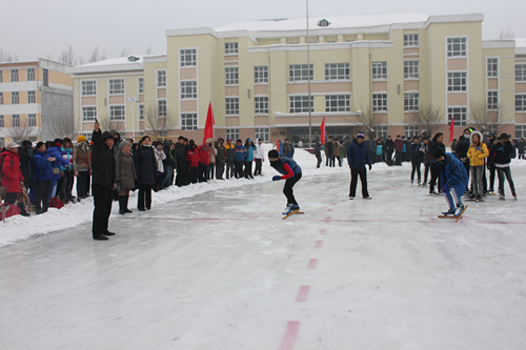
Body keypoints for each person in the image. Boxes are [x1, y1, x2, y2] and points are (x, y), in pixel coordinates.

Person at [91, 121, 117, 240]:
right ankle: (97, 232)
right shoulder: (99, 149)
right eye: (109, 140)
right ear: (104, 140)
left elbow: (112, 168)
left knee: (107, 207)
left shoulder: (110, 152)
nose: (111, 142)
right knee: (100, 208)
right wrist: (97, 131)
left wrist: (113, 181)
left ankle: (104, 228)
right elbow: (96, 141)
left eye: (112, 140)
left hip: (108, 183)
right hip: (100, 182)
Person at [434, 148, 468, 216]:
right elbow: (443, 174)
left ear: (443, 156)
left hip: (460, 178)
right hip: (451, 178)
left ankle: (460, 205)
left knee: (453, 189)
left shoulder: (454, 162)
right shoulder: (443, 163)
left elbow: (458, 175)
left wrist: (449, 182)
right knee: (444, 190)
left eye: (440, 158)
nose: (439, 160)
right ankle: (452, 208)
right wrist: (443, 184)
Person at [268, 149, 302, 215]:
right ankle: (295, 205)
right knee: (288, 189)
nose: (270, 159)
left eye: (272, 158)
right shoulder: (275, 162)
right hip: (292, 174)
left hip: (296, 174)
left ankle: (290, 204)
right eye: (269, 158)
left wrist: (280, 177)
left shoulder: (283, 163)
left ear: (276, 158)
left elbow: (291, 174)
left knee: (286, 190)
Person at [1, 142, 30, 216]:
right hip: (10, 182)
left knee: (17, 197)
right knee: (10, 199)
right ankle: (7, 214)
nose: (17, 149)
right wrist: (13, 177)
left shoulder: (15, 156)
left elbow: (17, 169)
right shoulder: (8, 157)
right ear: (11, 149)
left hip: (15, 181)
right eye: (15, 148)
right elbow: (5, 169)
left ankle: (19, 212)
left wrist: (20, 178)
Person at [346, 132, 372, 200]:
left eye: (361, 139)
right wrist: (350, 164)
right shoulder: (352, 145)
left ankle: (365, 194)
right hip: (354, 166)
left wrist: (369, 163)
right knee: (354, 181)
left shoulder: (365, 146)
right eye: (359, 138)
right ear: (357, 139)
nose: (360, 140)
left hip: (362, 166)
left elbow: (367, 155)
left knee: (364, 181)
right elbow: (349, 155)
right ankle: (351, 194)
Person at [491, 133, 517, 200]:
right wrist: (491, 163)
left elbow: (511, 151)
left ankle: (513, 191)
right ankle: (502, 192)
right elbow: (492, 153)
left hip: (506, 164)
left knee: (509, 179)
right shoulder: (496, 145)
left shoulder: (507, 144)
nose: (504, 140)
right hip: (499, 164)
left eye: (505, 139)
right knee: (501, 179)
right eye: (503, 139)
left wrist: (508, 143)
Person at [134, 136, 157, 211]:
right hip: (142, 171)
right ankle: (141, 205)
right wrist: (138, 172)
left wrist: (154, 171)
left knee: (148, 189)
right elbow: (136, 162)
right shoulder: (139, 150)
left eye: (148, 141)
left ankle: (148, 204)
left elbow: (153, 161)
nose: (146, 142)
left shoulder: (151, 150)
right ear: (142, 141)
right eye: (145, 141)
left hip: (150, 171)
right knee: (142, 189)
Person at [31, 142, 54, 214]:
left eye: (44, 147)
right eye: (42, 147)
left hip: (48, 177)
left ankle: (45, 207)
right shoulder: (36, 157)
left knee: (46, 193)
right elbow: (39, 166)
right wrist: (47, 160)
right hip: (40, 178)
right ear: (38, 148)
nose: (44, 148)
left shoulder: (46, 155)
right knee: (40, 193)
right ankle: (38, 208)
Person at [115, 140, 137, 215]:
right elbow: (117, 167)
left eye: (129, 146)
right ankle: (121, 208)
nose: (128, 148)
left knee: (127, 191)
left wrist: (134, 175)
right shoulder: (119, 156)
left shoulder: (130, 155)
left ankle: (125, 207)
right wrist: (117, 178)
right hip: (122, 176)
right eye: (126, 146)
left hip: (129, 176)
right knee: (122, 192)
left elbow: (133, 166)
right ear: (122, 147)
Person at [466, 131, 489, 202]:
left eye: (476, 138)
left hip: (479, 164)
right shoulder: (471, 146)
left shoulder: (482, 145)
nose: (475, 139)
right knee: (473, 179)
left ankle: (480, 193)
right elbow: (468, 152)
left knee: (479, 179)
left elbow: (486, 153)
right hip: (472, 164)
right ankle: (474, 193)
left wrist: (479, 157)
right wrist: (469, 156)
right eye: (474, 138)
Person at [73, 135, 91, 200]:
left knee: (84, 181)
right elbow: (74, 159)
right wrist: (75, 169)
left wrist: (90, 168)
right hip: (79, 166)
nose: (82, 142)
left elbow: (88, 158)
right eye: (81, 141)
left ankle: (84, 193)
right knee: (79, 181)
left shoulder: (86, 148)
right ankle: (79, 194)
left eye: (83, 140)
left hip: (85, 166)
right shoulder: (76, 148)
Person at [455, 128, 473, 193]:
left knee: (472, 175)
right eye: (466, 133)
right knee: (464, 174)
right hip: (463, 159)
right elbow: (457, 150)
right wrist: (463, 156)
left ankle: (472, 187)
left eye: (468, 133)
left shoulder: (472, 141)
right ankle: (464, 187)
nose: (467, 134)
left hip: (471, 159)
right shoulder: (461, 141)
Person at [60, 137, 75, 203]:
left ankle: (69, 195)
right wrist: (62, 168)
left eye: (68, 143)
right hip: (64, 168)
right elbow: (61, 160)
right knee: (64, 183)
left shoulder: (71, 151)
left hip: (71, 169)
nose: (67, 144)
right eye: (66, 143)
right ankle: (63, 196)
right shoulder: (62, 150)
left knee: (70, 183)